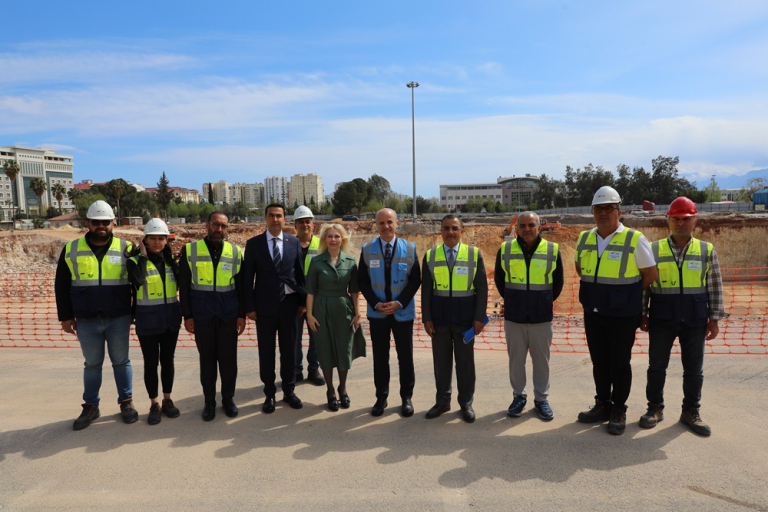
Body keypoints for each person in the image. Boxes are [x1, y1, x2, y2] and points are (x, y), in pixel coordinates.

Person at [638, 197, 726, 436]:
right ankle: (654, 408)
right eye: (676, 219)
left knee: (694, 369)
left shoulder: (706, 250)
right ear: (668, 221)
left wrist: (714, 320)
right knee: (657, 366)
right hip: (661, 318)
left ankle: (690, 411)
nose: (681, 223)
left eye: (686, 219)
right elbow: (645, 286)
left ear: (694, 221)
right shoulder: (654, 249)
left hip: (695, 318)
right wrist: (643, 314)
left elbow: (714, 286)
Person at [575, 186, 658, 435]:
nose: (603, 213)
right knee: (599, 361)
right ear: (593, 211)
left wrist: (625, 295)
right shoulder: (584, 238)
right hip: (593, 312)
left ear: (618, 211)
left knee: (620, 363)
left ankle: (619, 409)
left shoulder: (635, 239)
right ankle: (603, 403)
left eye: (608, 208)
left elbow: (650, 274)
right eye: (598, 209)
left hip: (622, 315)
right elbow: (581, 269)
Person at [54, 199, 138, 430]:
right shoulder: (71, 249)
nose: (101, 226)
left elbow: (137, 283)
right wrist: (66, 316)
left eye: (105, 222)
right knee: (92, 364)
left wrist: (134, 312)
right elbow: (62, 285)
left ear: (113, 223)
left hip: (118, 316)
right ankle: (91, 405)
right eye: (96, 222)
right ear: (87, 223)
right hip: (86, 318)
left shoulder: (127, 248)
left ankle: (126, 402)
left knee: (121, 361)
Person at [494, 211, 563, 421]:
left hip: (541, 317)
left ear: (539, 226)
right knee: (516, 361)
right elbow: (500, 280)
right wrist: (514, 300)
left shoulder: (552, 250)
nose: (527, 229)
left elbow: (558, 283)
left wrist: (542, 301)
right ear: (516, 228)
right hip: (514, 316)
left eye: (531, 225)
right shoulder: (506, 249)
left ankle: (541, 399)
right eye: (522, 226)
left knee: (542, 361)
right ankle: (519, 397)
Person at [178, 212, 246, 421]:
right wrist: (187, 315)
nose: (219, 230)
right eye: (216, 225)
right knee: (207, 361)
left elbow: (241, 286)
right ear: (207, 225)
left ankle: (228, 399)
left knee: (228, 361)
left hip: (228, 315)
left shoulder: (235, 251)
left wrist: (241, 314)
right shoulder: (190, 250)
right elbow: (184, 286)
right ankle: (209, 401)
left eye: (223, 226)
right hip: (202, 315)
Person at [422, 215, 488, 423]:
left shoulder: (474, 254)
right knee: (441, 363)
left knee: (465, 364)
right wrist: (427, 318)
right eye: (446, 228)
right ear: (440, 231)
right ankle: (442, 401)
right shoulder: (431, 255)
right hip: (439, 320)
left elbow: (482, 289)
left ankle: (466, 403)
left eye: (454, 228)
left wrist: (478, 318)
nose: (450, 232)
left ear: (462, 231)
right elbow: (426, 291)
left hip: (465, 320)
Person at [242, 203, 306, 413]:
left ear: (285, 219)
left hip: (289, 305)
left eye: (279, 215)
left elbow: (299, 274)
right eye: (271, 215)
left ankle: (289, 390)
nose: (275, 219)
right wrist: (250, 307)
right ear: (265, 218)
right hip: (264, 308)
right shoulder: (254, 244)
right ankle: (269, 393)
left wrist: (302, 302)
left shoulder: (293, 242)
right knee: (266, 352)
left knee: (289, 350)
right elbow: (247, 279)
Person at [358, 208, 421, 417]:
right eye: (381, 223)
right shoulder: (367, 250)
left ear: (397, 223)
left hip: (402, 313)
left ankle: (406, 398)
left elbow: (415, 280)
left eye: (389, 222)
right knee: (380, 358)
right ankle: (381, 397)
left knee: (406, 357)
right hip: (378, 315)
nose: (386, 226)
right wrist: (376, 304)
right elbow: (362, 281)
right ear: (376, 225)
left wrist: (399, 303)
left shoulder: (409, 249)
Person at [126, 218, 182, 425]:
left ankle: (167, 399)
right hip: (148, 321)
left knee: (168, 361)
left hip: (170, 320)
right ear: (145, 240)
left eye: (161, 238)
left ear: (167, 240)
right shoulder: (134, 262)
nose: (157, 242)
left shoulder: (171, 262)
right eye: (153, 238)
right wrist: (142, 256)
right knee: (151, 363)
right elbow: (138, 281)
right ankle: (154, 403)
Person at [305, 224, 367, 411]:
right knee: (325, 349)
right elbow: (310, 291)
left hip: (343, 309)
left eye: (337, 236)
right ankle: (330, 390)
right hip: (321, 309)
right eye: (330, 236)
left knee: (343, 349)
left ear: (342, 239)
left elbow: (354, 291)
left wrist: (357, 313)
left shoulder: (351, 261)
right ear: (325, 239)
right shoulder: (316, 262)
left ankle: (343, 388)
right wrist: (309, 315)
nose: (333, 239)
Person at [292, 205, 325, 386]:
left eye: (307, 221)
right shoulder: (289, 244)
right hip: (294, 300)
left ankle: (313, 368)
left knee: (316, 337)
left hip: (316, 300)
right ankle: (296, 370)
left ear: (313, 225)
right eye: (301, 222)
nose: (305, 225)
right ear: (295, 225)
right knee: (294, 337)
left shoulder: (322, 245)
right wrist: (300, 301)